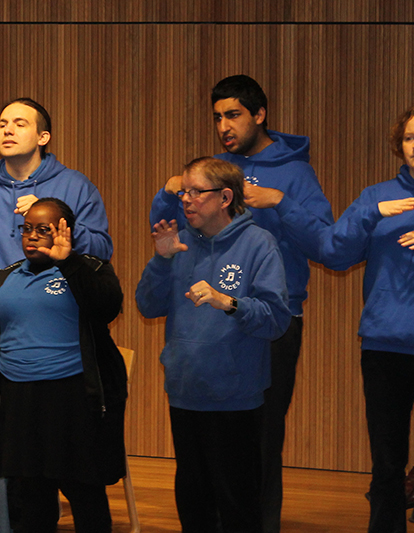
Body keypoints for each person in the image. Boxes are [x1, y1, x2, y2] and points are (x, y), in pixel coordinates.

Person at [148, 74, 333, 532]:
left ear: (259, 115)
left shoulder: (294, 172)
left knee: (259, 439)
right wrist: (167, 192)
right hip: (205, 317)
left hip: (271, 317)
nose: (224, 126)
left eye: (233, 115)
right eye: (217, 118)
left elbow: (328, 246)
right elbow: (169, 232)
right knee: (203, 452)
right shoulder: (212, 170)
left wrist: (281, 203)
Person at [280, 103, 414, 533]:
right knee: (386, 463)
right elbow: (334, 254)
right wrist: (371, 214)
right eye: (410, 137)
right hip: (384, 344)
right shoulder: (376, 196)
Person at [0, 197, 127, 533]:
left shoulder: (89, 268)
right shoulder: (3, 278)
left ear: (65, 232)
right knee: (28, 497)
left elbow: (107, 306)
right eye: (27, 229)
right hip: (18, 400)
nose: (31, 236)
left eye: (43, 230)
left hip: (74, 399)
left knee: (84, 494)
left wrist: (69, 262)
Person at [137, 157, 291, 533]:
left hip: (235, 397)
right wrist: (161, 259)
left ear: (225, 197)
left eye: (195, 192)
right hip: (186, 392)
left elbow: (276, 319)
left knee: (238, 505)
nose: (186, 200)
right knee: (193, 504)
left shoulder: (258, 244)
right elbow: (147, 305)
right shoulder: (180, 242)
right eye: (183, 191)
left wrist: (229, 302)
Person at [0, 97, 113, 289]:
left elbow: (101, 251)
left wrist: (52, 219)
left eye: (20, 124)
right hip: (0, 311)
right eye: (2, 125)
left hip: (61, 307)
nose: (8, 130)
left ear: (43, 137)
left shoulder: (76, 186)